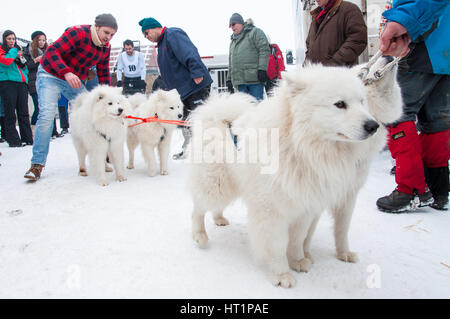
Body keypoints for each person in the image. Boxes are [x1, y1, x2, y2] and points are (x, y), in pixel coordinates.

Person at [24, 13, 118, 181]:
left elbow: (103, 73)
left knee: (93, 111)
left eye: (112, 35)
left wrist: (111, 99)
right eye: (106, 32)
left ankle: (101, 154)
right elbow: (52, 52)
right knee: (46, 114)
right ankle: (36, 165)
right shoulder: (78, 33)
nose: (108, 37)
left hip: (73, 80)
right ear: (96, 27)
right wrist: (66, 72)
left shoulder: (106, 47)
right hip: (51, 74)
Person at [376, 1, 449, 212]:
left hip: (422, 43)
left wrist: (403, 20)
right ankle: (440, 190)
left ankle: (412, 190)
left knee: (397, 114)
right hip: (445, 48)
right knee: (437, 120)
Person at [139, 17, 212, 160]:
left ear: (155, 27)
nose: (146, 37)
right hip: (182, 91)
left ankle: (207, 150)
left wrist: (196, 71)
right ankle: (189, 149)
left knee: (199, 119)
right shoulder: (161, 44)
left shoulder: (172, 35)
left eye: (147, 33)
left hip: (195, 86)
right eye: (144, 35)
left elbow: (189, 52)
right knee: (185, 121)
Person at [23, 30, 62, 139]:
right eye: (39, 40)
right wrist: (36, 60)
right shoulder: (28, 51)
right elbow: (26, 66)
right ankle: (34, 131)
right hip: (34, 82)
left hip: (49, 81)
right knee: (39, 108)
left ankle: (52, 131)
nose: (42, 42)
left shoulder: (49, 51)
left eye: (44, 40)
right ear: (34, 40)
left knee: (49, 107)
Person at [305, 0, 367, 67]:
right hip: (318, 74)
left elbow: (357, 40)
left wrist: (333, 63)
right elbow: (309, 45)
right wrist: (306, 66)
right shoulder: (317, 16)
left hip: (339, 74)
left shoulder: (349, 9)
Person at [0, 30, 33, 147]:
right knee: (10, 113)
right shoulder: (2, 50)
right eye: (9, 38)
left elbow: (25, 68)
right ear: (4, 39)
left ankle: (28, 138)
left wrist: (21, 61)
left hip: (21, 84)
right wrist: (15, 52)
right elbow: (6, 61)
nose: (12, 41)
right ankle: (14, 140)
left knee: (24, 112)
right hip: (7, 83)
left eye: (13, 39)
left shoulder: (17, 52)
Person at [226, 13, 270, 101]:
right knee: (243, 110)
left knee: (256, 108)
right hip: (240, 83)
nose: (232, 27)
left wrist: (262, 69)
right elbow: (231, 62)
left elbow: (264, 50)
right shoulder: (233, 42)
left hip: (255, 81)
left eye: (233, 24)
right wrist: (229, 79)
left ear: (241, 23)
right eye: (230, 25)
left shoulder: (255, 32)